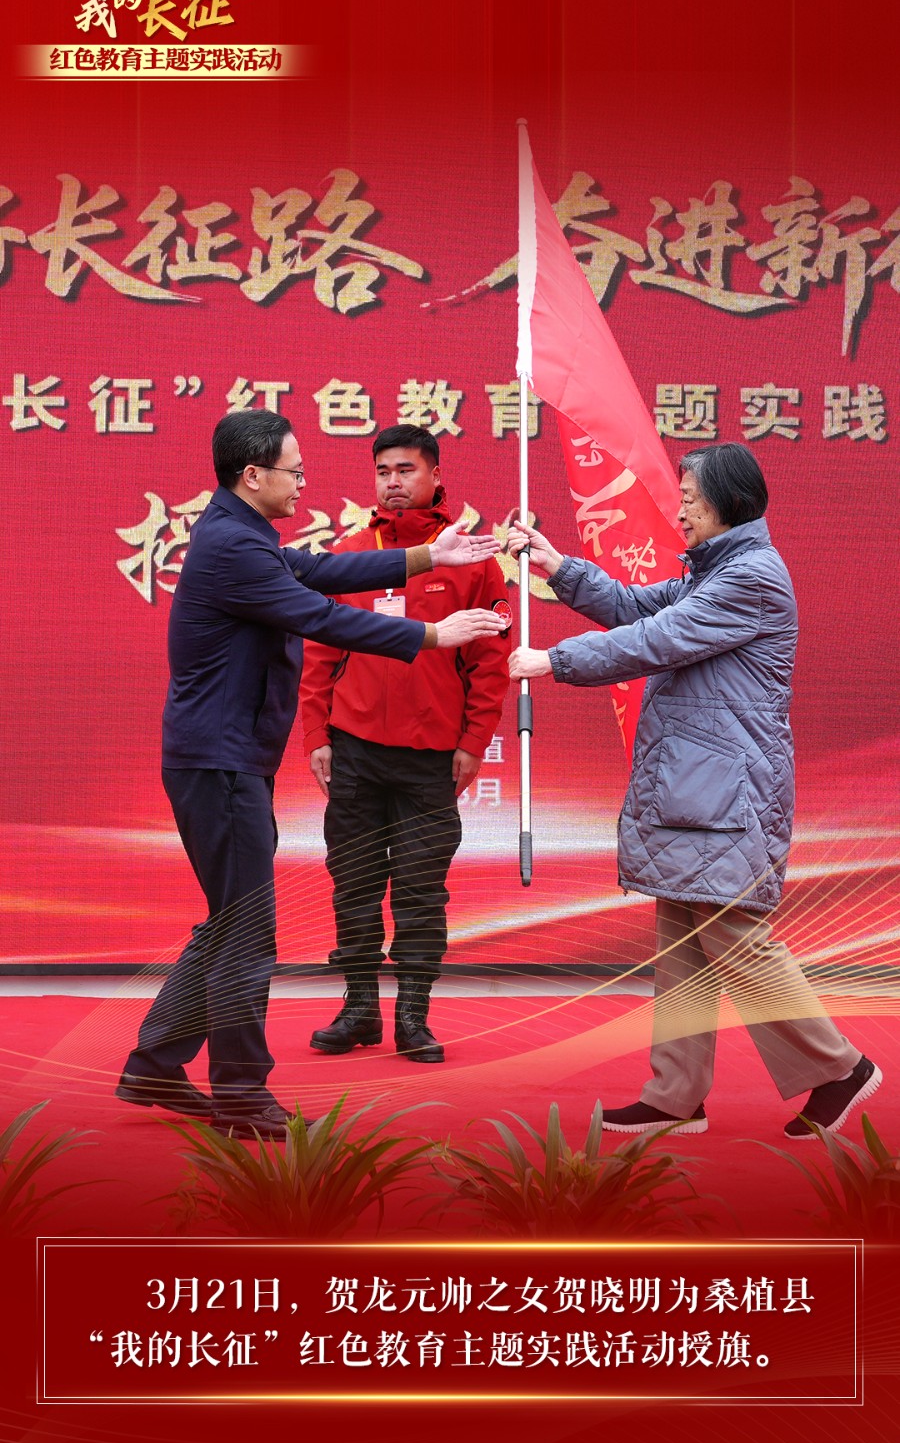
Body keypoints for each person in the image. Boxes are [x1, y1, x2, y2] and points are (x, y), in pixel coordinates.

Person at [117, 410, 504, 1137]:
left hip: (227, 760)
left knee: (228, 923)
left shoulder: (242, 534)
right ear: (252, 475)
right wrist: (431, 633)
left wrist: (430, 556)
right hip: (218, 763)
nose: (303, 483)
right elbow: (323, 615)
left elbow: (324, 570)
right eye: (294, 472)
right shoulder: (233, 546)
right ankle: (240, 1094)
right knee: (244, 931)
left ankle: (156, 1065)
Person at [507, 443, 882, 1139]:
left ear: (727, 502)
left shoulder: (751, 578)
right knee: (681, 938)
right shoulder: (713, 573)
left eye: (689, 498)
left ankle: (840, 1067)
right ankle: (675, 1094)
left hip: (727, 790)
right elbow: (630, 606)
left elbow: (656, 638)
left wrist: (552, 662)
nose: (679, 510)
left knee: (735, 936)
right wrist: (557, 565)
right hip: (696, 785)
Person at [300, 425, 511, 1063]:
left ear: (435, 475)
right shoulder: (350, 555)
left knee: (421, 893)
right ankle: (359, 1008)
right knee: (354, 884)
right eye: (383, 471)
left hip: (430, 759)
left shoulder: (471, 558)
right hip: (355, 750)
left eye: (406, 470)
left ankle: (413, 1017)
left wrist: (473, 743)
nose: (393, 482)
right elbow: (319, 653)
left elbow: (490, 664)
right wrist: (316, 734)